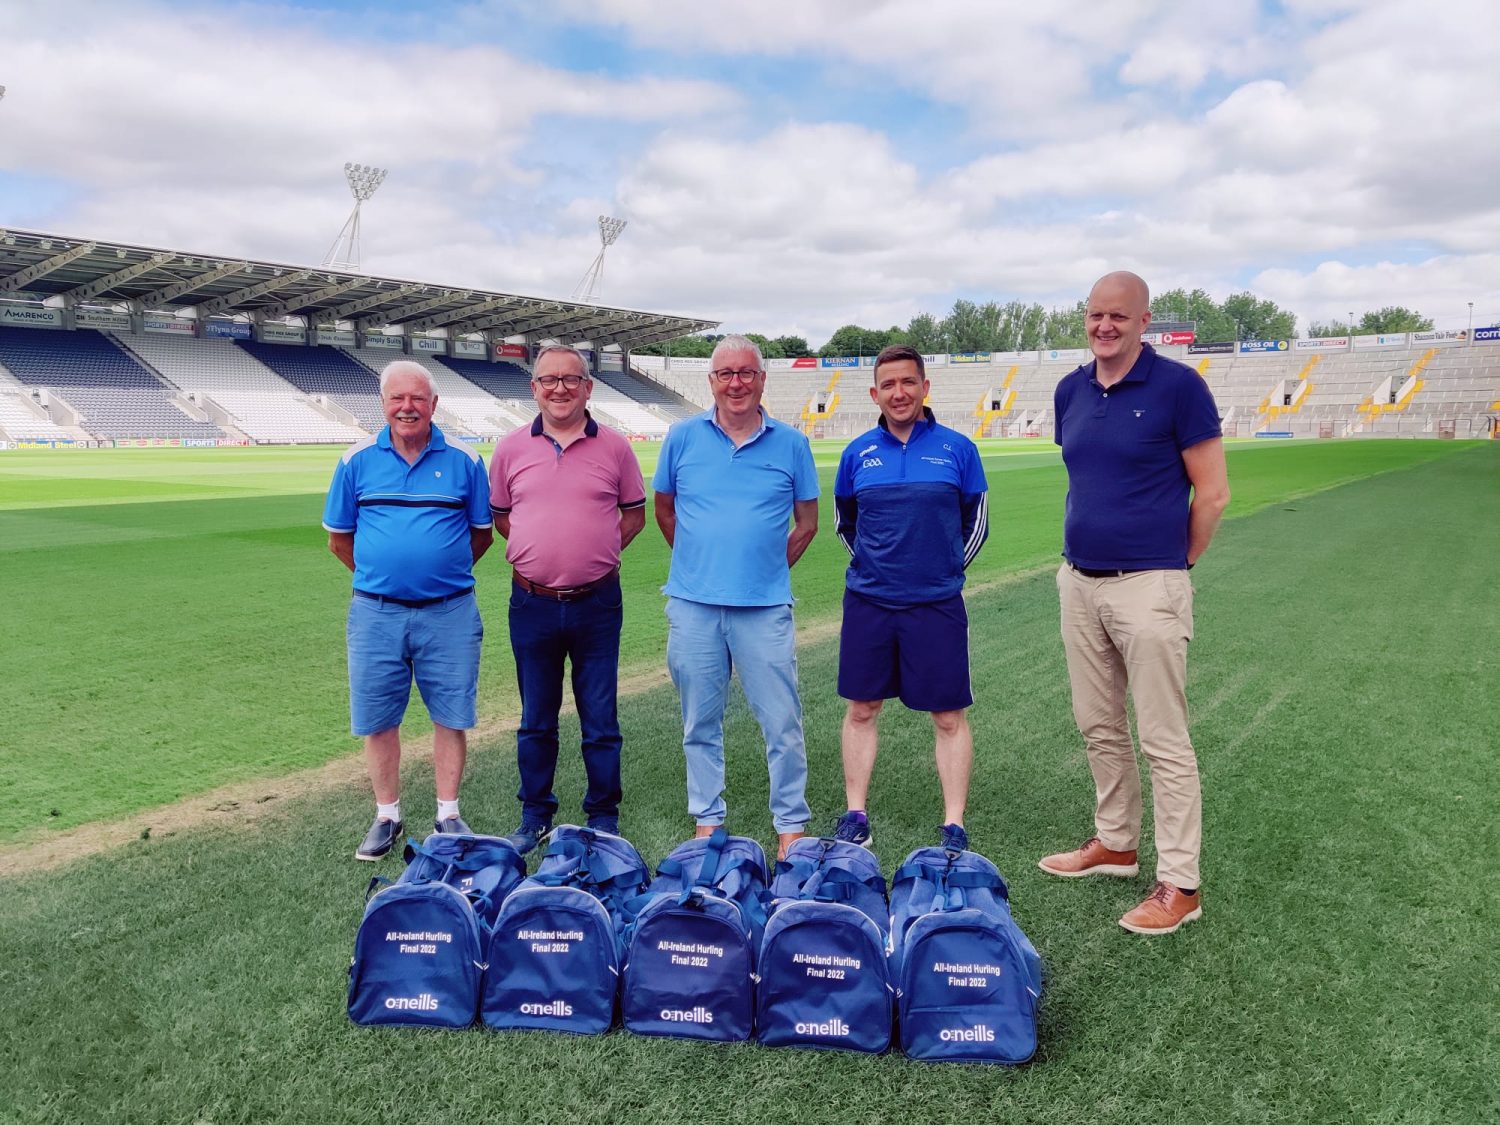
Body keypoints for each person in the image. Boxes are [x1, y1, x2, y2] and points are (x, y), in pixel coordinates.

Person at [1039, 271, 1230, 934]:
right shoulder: (1070, 390)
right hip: (1079, 581)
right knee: (1097, 723)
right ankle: (1115, 842)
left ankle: (1181, 882)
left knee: (1163, 737)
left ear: (1144, 320)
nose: (1105, 327)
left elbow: (1212, 495)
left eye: (1118, 316)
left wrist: (1176, 568)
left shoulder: (1180, 388)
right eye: (1095, 315)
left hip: (1149, 584)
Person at [652, 334, 819, 860]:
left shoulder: (791, 443)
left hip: (765, 607)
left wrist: (763, 570)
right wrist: (702, 566)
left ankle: (790, 823)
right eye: (726, 373)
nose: (736, 383)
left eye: (746, 373)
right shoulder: (681, 437)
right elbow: (664, 509)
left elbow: (807, 523)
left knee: (782, 723)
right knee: (699, 722)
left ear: (762, 380)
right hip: (694, 607)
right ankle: (707, 818)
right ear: (711, 381)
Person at [323, 360, 494, 860]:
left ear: (434, 404)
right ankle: (387, 816)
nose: (407, 407)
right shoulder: (355, 460)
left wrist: (436, 574)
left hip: (450, 612)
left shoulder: (465, 459)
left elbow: (480, 533)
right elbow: (339, 540)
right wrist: (384, 579)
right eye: (397, 398)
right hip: (377, 614)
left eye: (417, 398)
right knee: (378, 720)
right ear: (383, 403)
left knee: (451, 715)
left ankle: (448, 813)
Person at [488, 345, 647, 853]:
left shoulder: (617, 449)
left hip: (597, 603)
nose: (559, 388)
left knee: (599, 717)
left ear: (588, 387)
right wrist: (543, 554)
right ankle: (535, 813)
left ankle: (603, 815)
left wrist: (592, 553)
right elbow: (502, 517)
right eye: (548, 380)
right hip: (531, 603)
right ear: (533, 388)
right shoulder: (510, 449)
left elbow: (633, 516)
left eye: (570, 379)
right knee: (537, 716)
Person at [832, 345, 989, 853]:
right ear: (874, 393)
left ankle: (953, 823)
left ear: (925, 387)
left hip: (936, 604)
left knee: (947, 715)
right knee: (862, 708)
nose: (898, 393)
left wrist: (939, 570)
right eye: (888, 385)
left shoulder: (958, 449)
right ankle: (856, 813)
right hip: (870, 603)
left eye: (908, 382)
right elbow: (845, 524)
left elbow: (977, 523)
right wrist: (881, 568)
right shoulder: (857, 453)